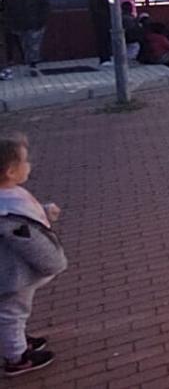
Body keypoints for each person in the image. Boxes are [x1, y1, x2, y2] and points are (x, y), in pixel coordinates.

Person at [0, 134, 67, 377]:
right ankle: (17, 357)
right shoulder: (6, 211)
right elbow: (25, 234)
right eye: (25, 161)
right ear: (10, 171)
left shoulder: (9, 197)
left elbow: (25, 218)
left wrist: (44, 211)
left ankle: (15, 339)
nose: (29, 166)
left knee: (13, 312)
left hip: (12, 272)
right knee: (12, 312)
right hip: (12, 274)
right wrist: (53, 262)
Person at [0, 0, 49, 76]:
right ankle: (27, 63)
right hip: (17, 26)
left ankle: (32, 64)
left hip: (33, 24)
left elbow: (45, 7)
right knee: (23, 45)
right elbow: (4, 9)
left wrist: (41, 21)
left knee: (33, 46)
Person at [86, 0, 111, 66]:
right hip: (101, 19)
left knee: (104, 38)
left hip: (100, 18)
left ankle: (106, 58)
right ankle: (105, 59)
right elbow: (101, 5)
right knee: (103, 39)